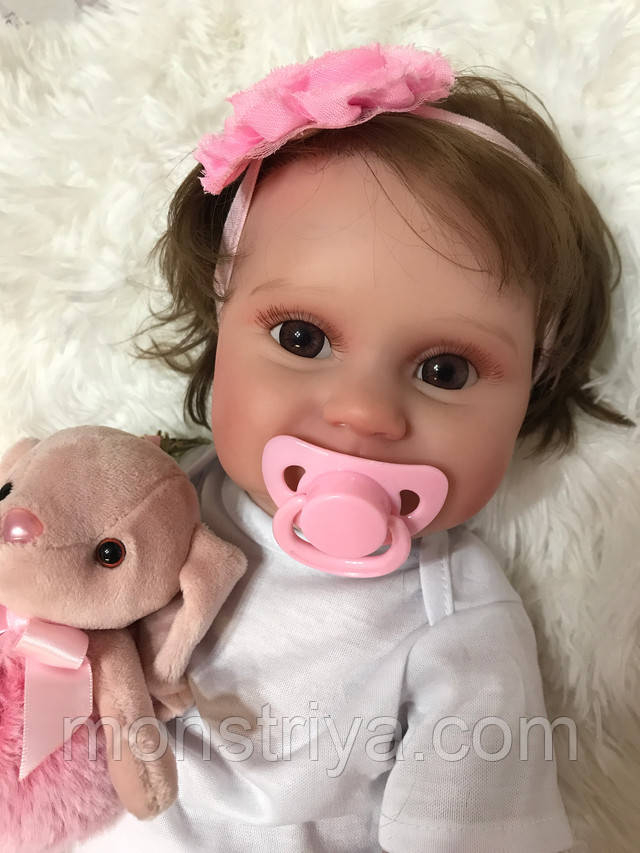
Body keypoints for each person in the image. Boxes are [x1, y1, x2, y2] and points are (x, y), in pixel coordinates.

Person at [74, 43, 632, 853]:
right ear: (220, 329)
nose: (365, 412)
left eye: (445, 369)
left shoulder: (456, 629)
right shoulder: (155, 495)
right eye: (302, 337)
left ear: (529, 398)